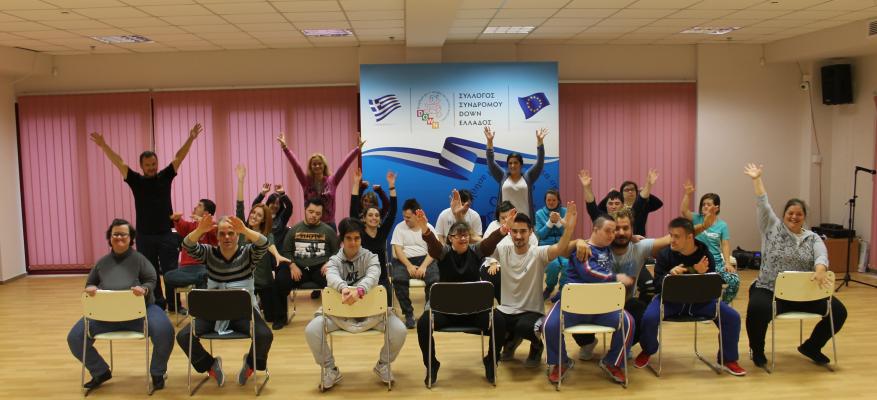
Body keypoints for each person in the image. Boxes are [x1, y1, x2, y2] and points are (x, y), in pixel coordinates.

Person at [572, 208, 715, 361]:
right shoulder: (599, 246)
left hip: (624, 303)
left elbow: (674, 238)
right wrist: (578, 241)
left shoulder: (640, 247)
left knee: (642, 311)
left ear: (632, 229)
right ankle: (587, 343)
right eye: (616, 229)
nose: (621, 233)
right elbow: (563, 248)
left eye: (626, 228)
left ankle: (623, 346)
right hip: (596, 304)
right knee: (573, 306)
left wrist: (704, 226)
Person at [743, 163, 846, 368]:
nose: (794, 217)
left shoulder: (813, 237)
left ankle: (812, 347)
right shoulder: (772, 227)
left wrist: (820, 269)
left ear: (804, 217)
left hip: (803, 293)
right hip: (770, 290)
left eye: (799, 214)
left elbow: (821, 255)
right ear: (784, 214)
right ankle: (757, 350)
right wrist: (757, 179)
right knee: (756, 309)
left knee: (838, 311)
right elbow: (763, 203)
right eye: (790, 213)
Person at [89, 123, 202, 311]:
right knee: (151, 272)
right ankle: (158, 303)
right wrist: (103, 145)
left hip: (166, 233)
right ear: (141, 166)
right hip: (144, 235)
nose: (151, 167)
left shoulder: (165, 176)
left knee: (170, 271)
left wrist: (191, 138)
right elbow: (119, 162)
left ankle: (174, 305)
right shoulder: (136, 180)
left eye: (153, 164)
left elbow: (179, 157)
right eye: (148, 165)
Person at [67, 219, 175, 392]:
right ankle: (100, 371)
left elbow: (151, 279)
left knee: (165, 331)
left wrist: (144, 289)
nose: (119, 237)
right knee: (75, 338)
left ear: (131, 238)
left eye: (123, 234)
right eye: (115, 234)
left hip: (141, 313)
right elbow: (90, 283)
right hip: (106, 315)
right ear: (109, 238)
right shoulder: (102, 263)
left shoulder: (140, 260)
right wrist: (91, 288)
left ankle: (157, 372)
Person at [634, 217, 747, 376]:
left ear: (689, 237)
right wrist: (671, 274)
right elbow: (657, 285)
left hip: (700, 302)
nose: (672, 240)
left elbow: (711, 287)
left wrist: (701, 275)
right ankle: (648, 349)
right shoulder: (665, 255)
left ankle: (728, 359)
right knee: (649, 318)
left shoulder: (705, 254)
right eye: (671, 235)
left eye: (676, 236)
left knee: (732, 317)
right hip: (670, 302)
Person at [304, 218, 408, 390]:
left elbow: (373, 276)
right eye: (349, 238)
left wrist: (359, 291)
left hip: (371, 316)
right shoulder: (333, 261)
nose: (353, 243)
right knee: (312, 330)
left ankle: (383, 364)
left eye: (357, 238)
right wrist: (344, 288)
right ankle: (330, 369)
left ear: (361, 239)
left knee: (400, 331)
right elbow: (331, 276)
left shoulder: (372, 258)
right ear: (342, 239)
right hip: (340, 317)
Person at [176, 213, 273, 388]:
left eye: (231, 233)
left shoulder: (247, 253)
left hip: (243, 313)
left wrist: (244, 229)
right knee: (183, 336)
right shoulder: (209, 253)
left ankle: (250, 364)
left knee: (264, 335)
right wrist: (200, 230)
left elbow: (264, 243)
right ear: (217, 236)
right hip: (213, 313)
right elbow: (187, 245)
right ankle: (210, 365)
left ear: (237, 235)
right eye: (222, 233)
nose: (227, 237)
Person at [417, 208, 509, 385]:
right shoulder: (444, 252)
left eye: (466, 235)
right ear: (450, 238)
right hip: (445, 313)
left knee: (499, 320)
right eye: (458, 235)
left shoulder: (476, 251)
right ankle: (432, 365)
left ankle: (491, 361)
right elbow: (434, 247)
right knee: (423, 324)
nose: (463, 238)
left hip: (474, 313)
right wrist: (425, 230)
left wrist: (503, 230)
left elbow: (489, 244)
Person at [544, 214, 633, 385]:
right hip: (573, 308)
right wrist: (616, 277)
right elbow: (589, 273)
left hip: (601, 307)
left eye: (613, 231)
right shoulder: (583, 249)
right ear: (595, 230)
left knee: (628, 323)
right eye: (608, 231)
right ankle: (561, 362)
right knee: (549, 325)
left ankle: (612, 363)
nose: (612, 235)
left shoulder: (608, 249)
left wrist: (634, 238)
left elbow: (627, 241)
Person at [491, 202, 578, 368]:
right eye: (514, 231)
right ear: (509, 232)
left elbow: (560, 248)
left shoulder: (538, 253)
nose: (518, 236)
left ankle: (536, 346)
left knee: (524, 327)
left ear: (531, 231)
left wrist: (569, 229)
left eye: (523, 231)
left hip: (532, 312)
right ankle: (511, 340)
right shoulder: (503, 250)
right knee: (492, 322)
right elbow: (483, 247)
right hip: (506, 309)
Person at [235, 165, 293, 330]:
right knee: (242, 320)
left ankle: (262, 306)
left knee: (270, 318)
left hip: (264, 282)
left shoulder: (267, 234)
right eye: (253, 213)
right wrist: (241, 181)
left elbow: (269, 244)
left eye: (258, 215)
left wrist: (277, 256)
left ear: (263, 220)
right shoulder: (242, 230)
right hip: (245, 282)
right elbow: (240, 205)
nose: (254, 216)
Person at [276, 133, 364, 230]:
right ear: (311, 167)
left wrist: (357, 150)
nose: (317, 166)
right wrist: (285, 148)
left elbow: (344, 165)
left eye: (319, 164)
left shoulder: (333, 180)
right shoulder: (305, 181)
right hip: (310, 224)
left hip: (329, 225)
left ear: (324, 165)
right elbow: (296, 166)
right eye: (314, 164)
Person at [680, 181, 739, 303]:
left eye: (709, 204)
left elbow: (725, 244)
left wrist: (727, 263)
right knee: (702, 286)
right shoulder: (697, 218)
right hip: (697, 263)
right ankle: (703, 306)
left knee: (734, 281)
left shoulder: (722, 225)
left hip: (717, 264)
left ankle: (722, 306)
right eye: (703, 204)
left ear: (717, 208)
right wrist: (688, 194)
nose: (705, 206)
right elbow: (684, 211)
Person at [390, 198, 439, 328]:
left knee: (434, 280)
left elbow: (434, 250)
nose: (405, 220)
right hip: (404, 260)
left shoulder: (428, 228)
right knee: (398, 279)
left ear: (417, 215)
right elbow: (397, 250)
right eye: (404, 217)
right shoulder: (399, 228)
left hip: (425, 259)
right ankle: (408, 314)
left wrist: (423, 266)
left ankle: (428, 314)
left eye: (408, 217)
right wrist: (409, 266)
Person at [351, 169, 397, 305]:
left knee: (387, 307)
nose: (374, 217)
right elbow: (353, 208)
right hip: (361, 277)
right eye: (370, 215)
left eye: (377, 215)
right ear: (364, 218)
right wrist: (356, 184)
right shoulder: (359, 231)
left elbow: (393, 210)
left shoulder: (382, 232)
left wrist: (391, 186)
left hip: (382, 278)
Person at [281, 198, 339, 300]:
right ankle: (281, 311)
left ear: (321, 214)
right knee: (280, 282)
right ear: (305, 210)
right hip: (299, 267)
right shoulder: (294, 230)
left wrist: (329, 263)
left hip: (320, 268)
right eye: (311, 212)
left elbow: (337, 251)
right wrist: (292, 265)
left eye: (318, 213)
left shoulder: (329, 231)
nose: (314, 215)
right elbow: (286, 251)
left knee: (336, 284)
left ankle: (333, 310)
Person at [485, 126, 547, 220]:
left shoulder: (528, 177)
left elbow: (540, 163)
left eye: (515, 163)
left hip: (525, 221)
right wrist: (489, 141)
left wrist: (540, 141)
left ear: (521, 164)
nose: (513, 165)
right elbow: (490, 162)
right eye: (510, 163)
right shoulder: (502, 176)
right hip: (505, 222)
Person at [165, 198, 217, 299]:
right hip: (185, 269)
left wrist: (201, 220)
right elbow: (182, 226)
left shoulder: (212, 226)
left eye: (199, 205)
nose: (195, 207)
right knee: (168, 276)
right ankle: (200, 278)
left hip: (202, 266)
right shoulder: (190, 226)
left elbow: (215, 231)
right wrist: (177, 219)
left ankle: (200, 305)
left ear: (206, 212)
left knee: (205, 276)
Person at [596, 170, 664, 236]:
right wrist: (610, 195)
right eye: (627, 190)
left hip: (640, 238)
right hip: (620, 236)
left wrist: (644, 192)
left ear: (637, 192)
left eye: (632, 189)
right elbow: (600, 209)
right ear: (621, 193)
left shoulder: (643, 205)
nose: (630, 192)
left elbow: (658, 204)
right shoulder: (617, 205)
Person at [535, 189, 568, 300]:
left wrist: (558, 222)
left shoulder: (565, 211)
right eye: (548, 200)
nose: (551, 202)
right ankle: (549, 288)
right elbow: (541, 234)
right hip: (547, 246)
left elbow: (566, 232)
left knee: (567, 264)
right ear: (545, 201)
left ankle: (563, 290)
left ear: (558, 200)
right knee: (554, 265)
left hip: (562, 244)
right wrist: (550, 222)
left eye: (554, 200)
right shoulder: (539, 213)